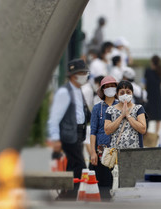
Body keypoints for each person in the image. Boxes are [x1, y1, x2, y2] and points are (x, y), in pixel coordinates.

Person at [47, 59, 91, 199]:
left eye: (85, 72)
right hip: (69, 134)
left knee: (73, 166)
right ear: (73, 75)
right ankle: (68, 196)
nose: (85, 75)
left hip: (78, 132)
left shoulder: (78, 91)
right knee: (79, 165)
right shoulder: (64, 92)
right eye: (82, 73)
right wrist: (55, 139)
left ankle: (65, 194)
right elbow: (54, 118)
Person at [89, 76, 119, 199]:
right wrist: (92, 152)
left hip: (117, 149)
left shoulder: (122, 107)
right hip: (102, 149)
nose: (110, 88)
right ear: (102, 89)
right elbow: (93, 131)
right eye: (106, 86)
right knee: (102, 182)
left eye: (112, 85)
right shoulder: (97, 108)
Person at [104, 80, 147, 148]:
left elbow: (143, 129)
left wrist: (128, 115)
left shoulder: (138, 108)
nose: (125, 95)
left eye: (128, 92)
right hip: (116, 152)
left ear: (132, 93)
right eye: (122, 92)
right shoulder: (110, 110)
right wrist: (121, 116)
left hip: (134, 151)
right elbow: (107, 130)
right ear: (117, 94)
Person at [144, 55, 161, 133]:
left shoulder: (148, 71)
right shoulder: (160, 71)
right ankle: (156, 133)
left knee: (147, 115)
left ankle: (146, 132)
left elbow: (145, 83)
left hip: (149, 96)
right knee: (158, 117)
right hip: (158, 96)